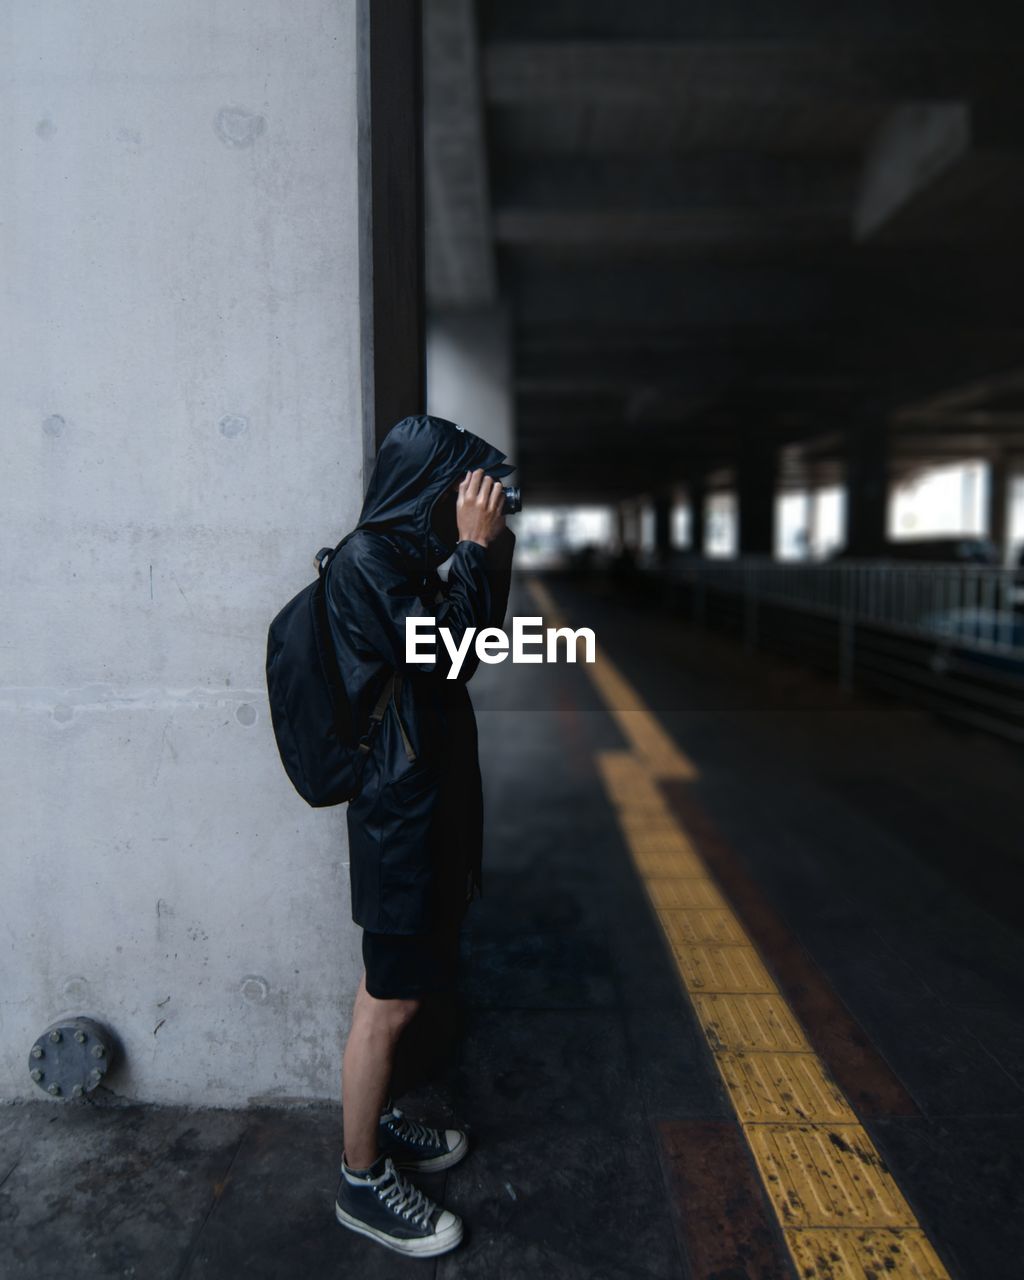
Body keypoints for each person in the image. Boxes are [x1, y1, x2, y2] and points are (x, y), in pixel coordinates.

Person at [324, 414, 516, 1257]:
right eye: (464, 490)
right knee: (390, 999)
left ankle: (380, 1130)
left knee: (396, 990)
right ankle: (361, 1183)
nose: (473, 505)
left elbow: (475, 644)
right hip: (398, 819)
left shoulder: (398, 562)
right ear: (428, 490)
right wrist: (472, 550)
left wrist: (486, 551)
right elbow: (447, 653)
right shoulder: (369, 559)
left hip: (421, 812)